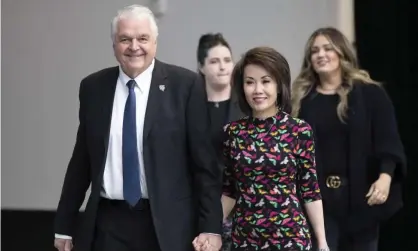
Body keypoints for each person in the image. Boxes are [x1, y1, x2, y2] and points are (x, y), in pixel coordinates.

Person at [53, 5, 223, 251]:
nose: (134, 47)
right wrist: (64, 225)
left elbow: (205, 166)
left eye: (142, 38)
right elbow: (81, 161)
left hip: (168, 226)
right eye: (125, 39)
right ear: (114, 45)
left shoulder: (185, 86)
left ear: (155, 42)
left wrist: (210, 227)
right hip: (108, 224)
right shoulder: (93, 88)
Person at [291, 27, 406, 251]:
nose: (320, 55)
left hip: (361, 199)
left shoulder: (370, 94)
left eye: (327, 48)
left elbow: (388, 139)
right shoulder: (301, 99)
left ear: (341, 52)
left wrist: (385, 178)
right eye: (314, 51)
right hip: (318, 203)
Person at [218, 46, 329, 251]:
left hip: (290, 238)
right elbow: (229, 190)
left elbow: (310, 190)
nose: (257, 90)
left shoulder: (299, 130)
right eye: (250, 82)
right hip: (245, 239)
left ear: (279, 86)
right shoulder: (232, 133)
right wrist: (212, 230)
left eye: (266, 81)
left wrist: (322, 242)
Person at [196, 32, 244, 251]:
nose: (223, 67)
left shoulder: (245, 107)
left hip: (242, 207)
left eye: (227, 60)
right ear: (201, 66)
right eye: (214, 61)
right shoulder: (191, 108)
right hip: (202, 206)